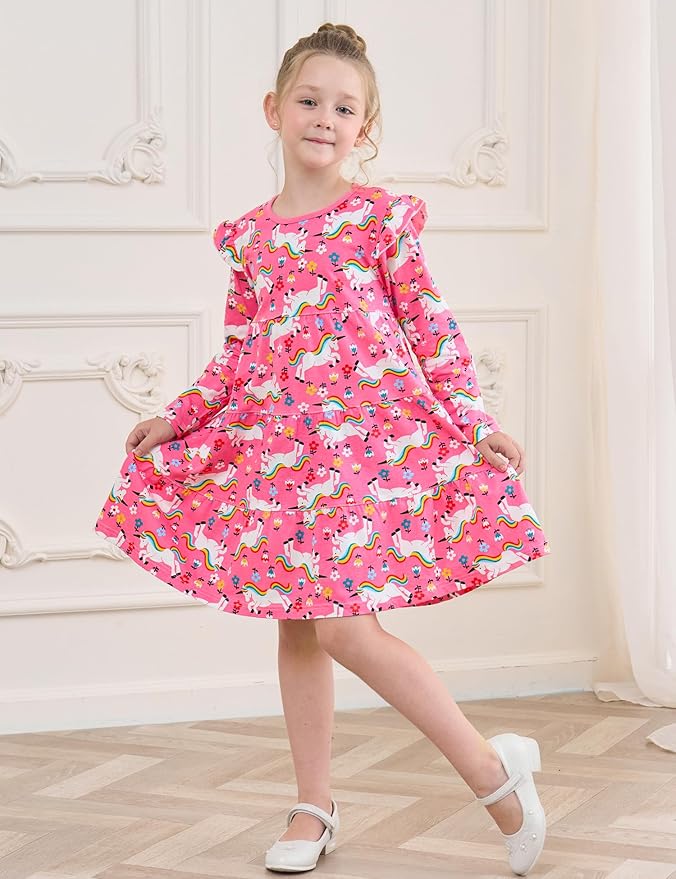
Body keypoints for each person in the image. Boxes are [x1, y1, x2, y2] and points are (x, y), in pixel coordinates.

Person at [94, 21, 550, 876]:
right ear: (274, 109)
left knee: (344, 624)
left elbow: (431, 327)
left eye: (345, 108)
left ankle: (491, 771)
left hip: (365, 452)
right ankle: (314, 804)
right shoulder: (251, 238)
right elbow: (238, 353)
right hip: (280, 456)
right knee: (299, 626)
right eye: (310, 100)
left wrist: (474, 420)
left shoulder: (380, 220)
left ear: (363, 127)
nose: (325, 118)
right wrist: (180, 417)